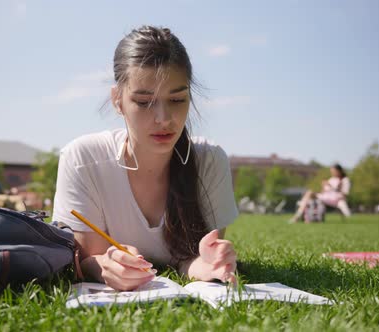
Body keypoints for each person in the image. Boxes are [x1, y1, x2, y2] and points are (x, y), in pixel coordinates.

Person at [52, 26, 239, 291]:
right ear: (118, 100)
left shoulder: (209, 160)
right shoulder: (83, 158)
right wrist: (105, 265)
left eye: (177, 99)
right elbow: (87, 258)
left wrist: (207, 266)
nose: (163, 119)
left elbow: (193, 259)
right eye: (143, 102)